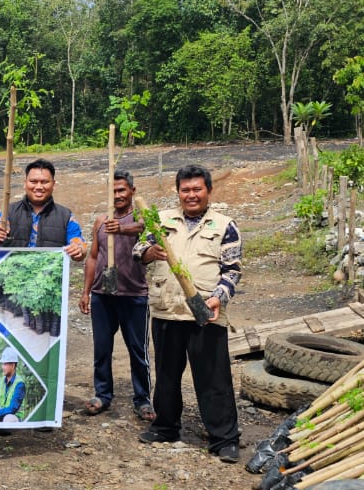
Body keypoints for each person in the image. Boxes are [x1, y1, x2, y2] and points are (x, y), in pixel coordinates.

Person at [134, 165, 243, 463]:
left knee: (213, 377)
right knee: (167, 375)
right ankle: (166, 427)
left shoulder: (224, 225)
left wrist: (219, 298)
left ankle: (224, 439)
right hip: (167, 309)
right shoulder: (161, 220)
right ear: (178, 191)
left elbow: (232, 271)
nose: (191, 195)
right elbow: (138, 250)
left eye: (197, 189)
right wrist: (148, 253)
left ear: (208, 190)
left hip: (204, 311)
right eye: (186, 190)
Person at [78, 170, 153, 421]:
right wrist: (86, 291)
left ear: (132, 190)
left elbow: (146, 228)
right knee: (102, 348)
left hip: (133, 294)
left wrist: (121, 228)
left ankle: (143, 399)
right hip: (102, 295)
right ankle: (103, 394)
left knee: (137, 350)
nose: (117, 195)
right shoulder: (101, 221)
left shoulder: (141, 217)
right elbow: (92, 257)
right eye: (113, 191)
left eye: (122, 190)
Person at [0, 158, 85, 262]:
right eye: (33, 181)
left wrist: (78, 249)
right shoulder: (7, 212)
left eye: (44, 182)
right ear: (25, 183)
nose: (39, 187)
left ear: (53, 184)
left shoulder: (66, 216)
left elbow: (79, 243)